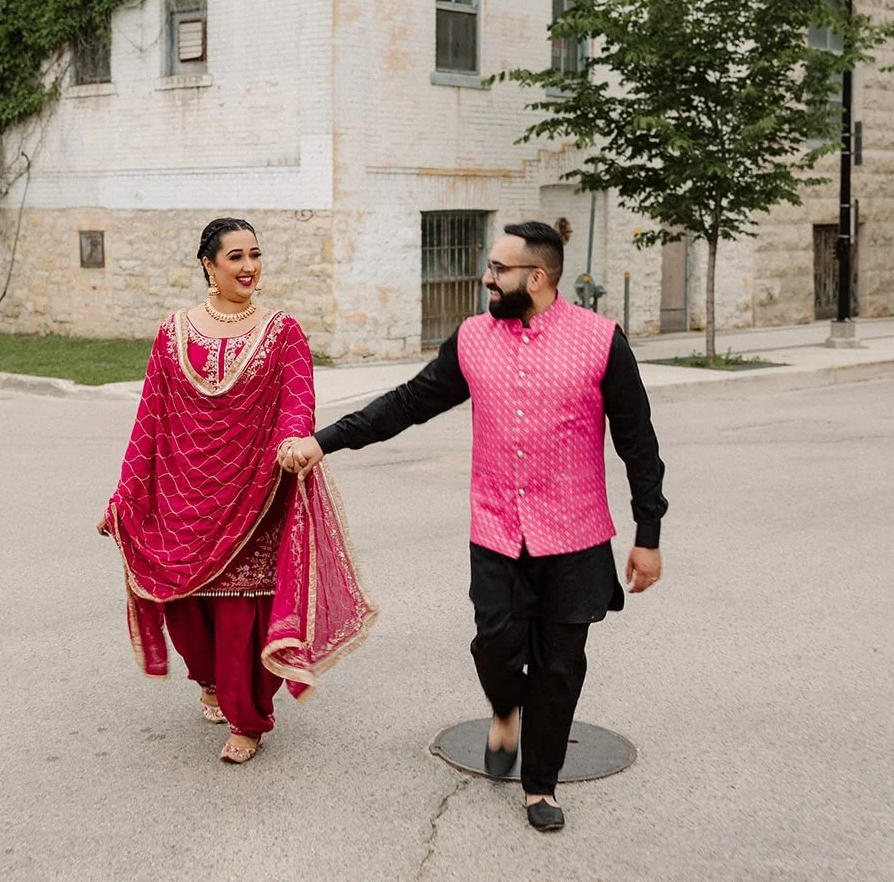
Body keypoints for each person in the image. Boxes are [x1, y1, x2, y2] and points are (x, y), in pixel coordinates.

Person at [279, 220, 666, 830]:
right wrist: (324, 441)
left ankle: (541, 785)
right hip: (496, 531)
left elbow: (638, 444)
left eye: (498, 269)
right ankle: (504, 710)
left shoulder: (601, 342)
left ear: (536, 278)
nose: (486, 277)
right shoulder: (472, 340)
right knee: (496, 647)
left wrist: (649, 535)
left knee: (562, 665)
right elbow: (406, 405)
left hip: (577, 535)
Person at [99, 217, 375, 764]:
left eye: (256, 255)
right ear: (210, 264)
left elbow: (297, 400)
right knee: (184, 610)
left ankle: (247, 720)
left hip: (255, 492)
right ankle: (207, 679)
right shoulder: (173, 331)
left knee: (239, 615)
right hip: (182, 493)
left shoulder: (282, 331)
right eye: (237, 257)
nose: (250, 267)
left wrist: (293, 443)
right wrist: (126, 494)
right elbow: (149, 418)